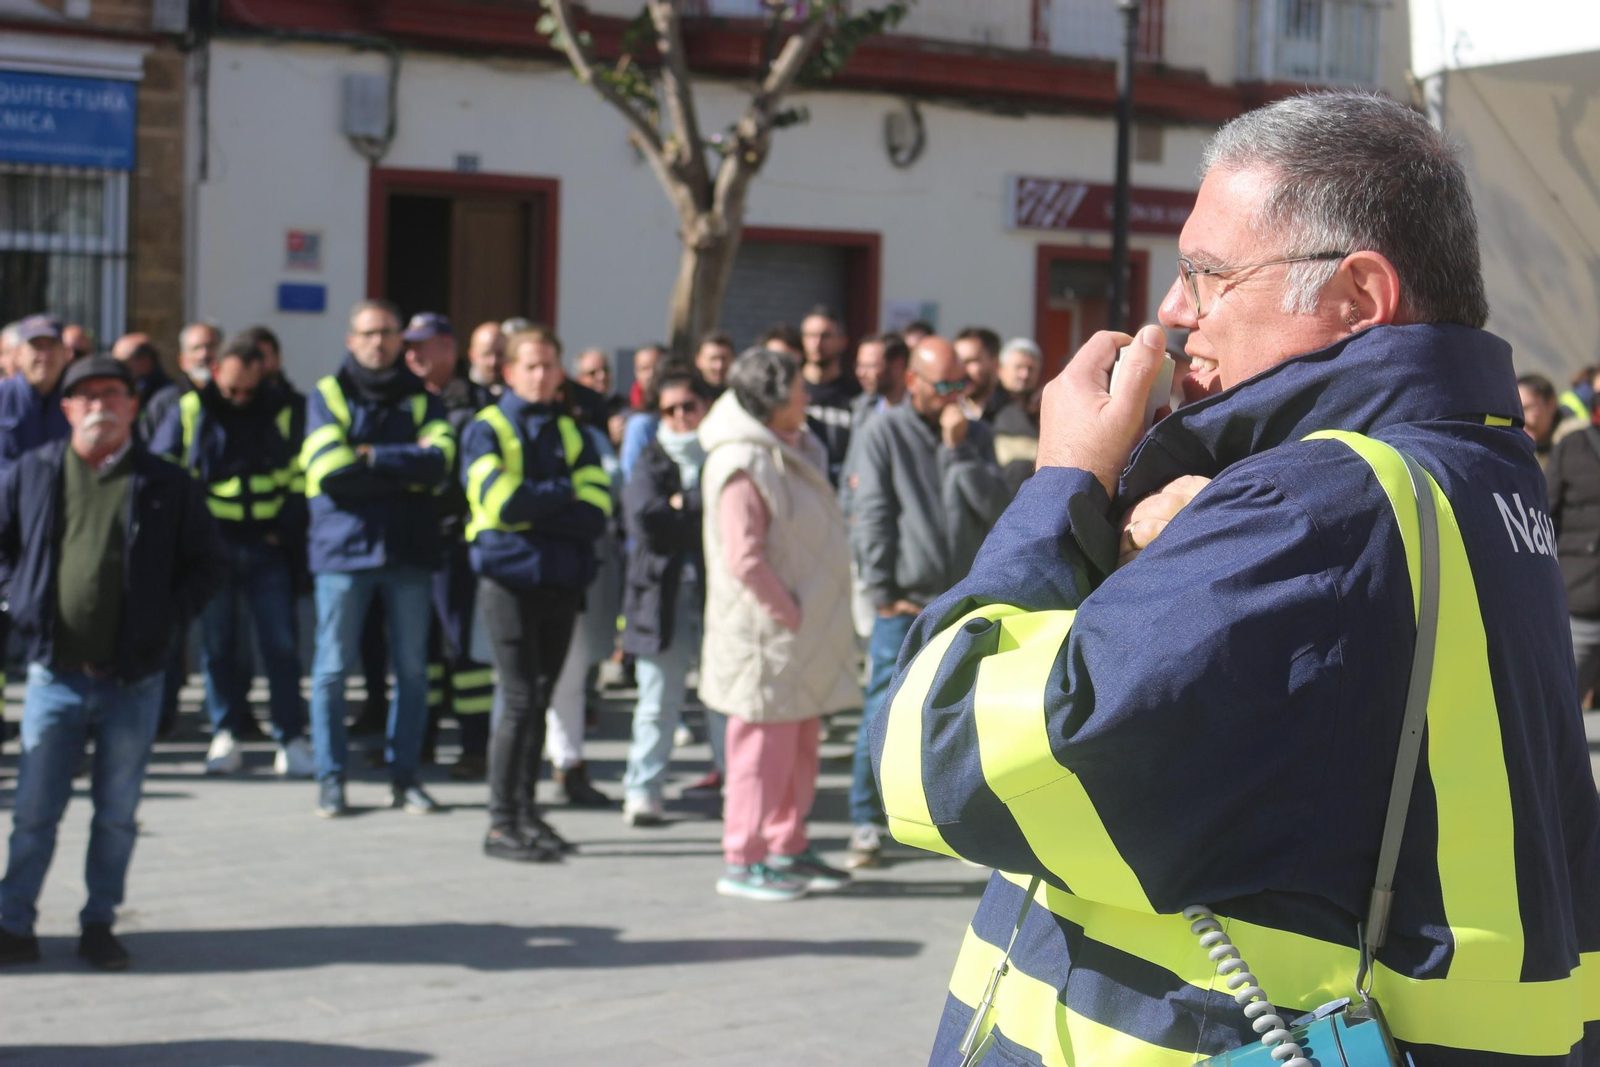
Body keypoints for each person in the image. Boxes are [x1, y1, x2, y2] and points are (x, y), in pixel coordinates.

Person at [871, 90, 1600, 1063]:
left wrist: (1063, 485)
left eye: (1207, 275)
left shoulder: (1308, 507)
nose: (1174, 313)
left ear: (1358, 295)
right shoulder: (1478, 466)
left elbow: (933, 750)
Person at [0, 356, 226, 971]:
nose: (100, 404)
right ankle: (12, 922)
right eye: (86, 395)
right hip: (55, 675)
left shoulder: (165, 483)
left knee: (117, 814)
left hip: (133, 678)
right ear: (67, 409)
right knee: (33, 812)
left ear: (133, 406)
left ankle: (99, 922)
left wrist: (163, 616)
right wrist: (19, 600)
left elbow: (207, 564)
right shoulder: (34, 472)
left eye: (113, 393)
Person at [699, 346, 860, 901]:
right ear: (771, 402)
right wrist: (790, 611)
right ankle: (743, 858)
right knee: (758, 756)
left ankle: (788, 844)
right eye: (797, 391)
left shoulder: (790, 446)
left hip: (798, 638)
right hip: (767, 637)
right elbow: (743, 557)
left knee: (799, 749)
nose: (807, 398)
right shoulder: (742, 461)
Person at [846, 337, 1008, 868]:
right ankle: (866, 822)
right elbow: (871, 514)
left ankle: (950, 820)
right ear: (911, 380)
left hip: (962, 597)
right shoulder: (882, 432)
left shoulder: (974, 432)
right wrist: (881, 592)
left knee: (960, 716)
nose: (952, 395)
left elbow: (994, 508)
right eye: (942, 385)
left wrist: (959, 448)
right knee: (883, 711)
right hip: (906, 600)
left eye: (959, 384)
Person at [300, 299, 456, 819]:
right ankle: (332, 778)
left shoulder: (423, 398)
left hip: (409, 550)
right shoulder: (327, 395)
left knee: (413, 671)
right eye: (368, 333)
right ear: (351, 340)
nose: (378, 342)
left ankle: (405, 777)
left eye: (387, 333)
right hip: (343, 552)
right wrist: (400, 469)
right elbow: (330, 471)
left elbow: (438, 465)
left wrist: (371, 456)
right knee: (331, 671)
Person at [461, 327, 610, 861]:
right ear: (508, 371)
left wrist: (542, 506)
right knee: (521, 698)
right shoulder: (486, 428)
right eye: (531, 366)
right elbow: (502, 503)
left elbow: (596, 511)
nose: (542, 375)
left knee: (541, 698)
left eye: (550, 365)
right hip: (508, 583)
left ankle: (526, 814)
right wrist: (561, 495)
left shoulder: (572, 431)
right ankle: (501, 823)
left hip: (561, 581)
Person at [149, 336, 311, 778]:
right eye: (231, 389)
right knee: (218, 647)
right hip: (212, 551)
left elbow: (300, 476)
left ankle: (291, 736)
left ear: (263, 374)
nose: (239, 398)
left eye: (248, 389)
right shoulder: (190, 409)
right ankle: (226, 733)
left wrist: (283, 532)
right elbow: (163, 470)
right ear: (215, 373)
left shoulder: (281, 410)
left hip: (266, 547)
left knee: (280, 647)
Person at [401, 314, 495, 778]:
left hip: (453, 540)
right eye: (410, 346)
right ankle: (420, 742)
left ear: (449, 349)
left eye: (424, 346)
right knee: (419, 649)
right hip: (409, 540)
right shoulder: (403, 397)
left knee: (463, 645)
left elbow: (451, 472)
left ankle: (475, 744)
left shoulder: (470, 403)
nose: (413, 355)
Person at [619, 367, 710, 825]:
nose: (679, 417)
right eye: (669, 409)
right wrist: (694, 504)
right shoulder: (651, 458)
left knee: (723, 704)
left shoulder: (720, 454)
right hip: (662, 597)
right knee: (658, 702)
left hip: (716, 597)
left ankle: (739, 792)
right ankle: (642, 790)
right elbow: (646, 521)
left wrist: (679, 505)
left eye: (688, 407)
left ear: (705, 407)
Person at [0, 315, 72, 472]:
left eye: (51, 346)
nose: (44, 356)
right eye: (36, 347)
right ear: (18, 354)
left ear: (65, 354)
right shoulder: (3, 396)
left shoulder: (78, 399)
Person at [800, 307, 860, 486]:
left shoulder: (856, 397)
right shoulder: (790, 393)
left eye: (825, 336)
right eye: (810, 335)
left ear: (842, 342)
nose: (816, 343)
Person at [992, 338, 1044, 493]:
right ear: (1000, 369)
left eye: (1030, 369)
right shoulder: (988, 405)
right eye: (1018, 367)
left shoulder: (1044, 405)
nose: (1024, 374)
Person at [1517, 372, 1572, 469]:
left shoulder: (1576, 439)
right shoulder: (1530, 449)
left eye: (1526, 408)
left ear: (1551, 403)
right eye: (1516, 410)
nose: (1520, 417)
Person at [953, 326, 1008, 423]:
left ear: (995, 363)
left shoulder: (1015, 411)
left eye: (971, 361)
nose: (962, 369)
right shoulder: (943, 411)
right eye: (958, 361)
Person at [466, 321, 506, 398]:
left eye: (500, 354)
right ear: (472, 356)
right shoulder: (461, 394)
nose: (493, 362)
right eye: (486, 354)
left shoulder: (519, 392)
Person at [693, 332, 735, 399]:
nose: (719, 366)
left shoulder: (740, 394)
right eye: (713, 359)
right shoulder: (688, 394)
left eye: (724, 359)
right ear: (698, 360)